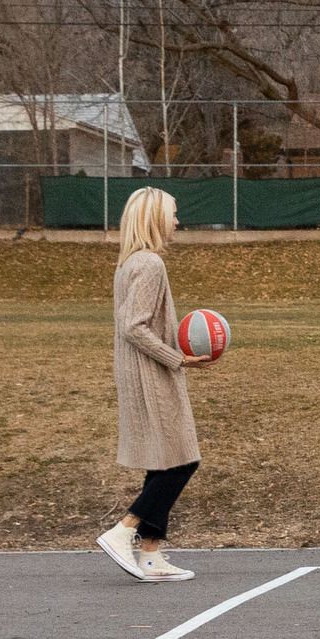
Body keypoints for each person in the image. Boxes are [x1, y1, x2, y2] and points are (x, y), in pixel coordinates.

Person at [98, 187, 215, 581]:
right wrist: (177, 358)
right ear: (155, 218)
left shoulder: (130, 262)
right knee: (183, 459)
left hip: (137, 371)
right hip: (150, 373)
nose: (177, 221)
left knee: (164, 460)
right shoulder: (149, 264)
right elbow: (133, 326)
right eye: (173, 213)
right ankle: (124, 530)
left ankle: (150, 555)